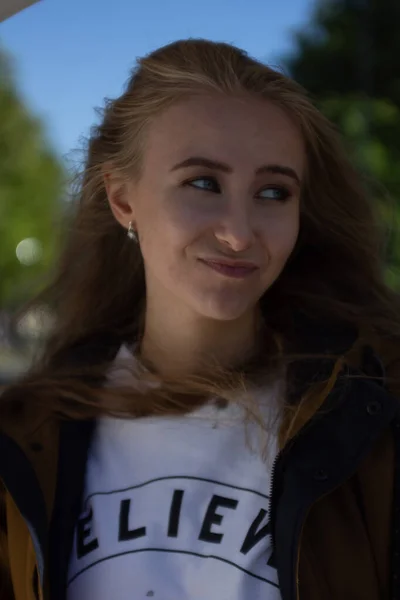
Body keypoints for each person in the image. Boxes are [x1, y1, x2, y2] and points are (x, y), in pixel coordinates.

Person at [1, 38, 400, 600]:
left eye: (272, 192)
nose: (239, 233)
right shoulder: (25, 435)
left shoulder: (373, 417)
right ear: (122, 198)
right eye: (203, 183)